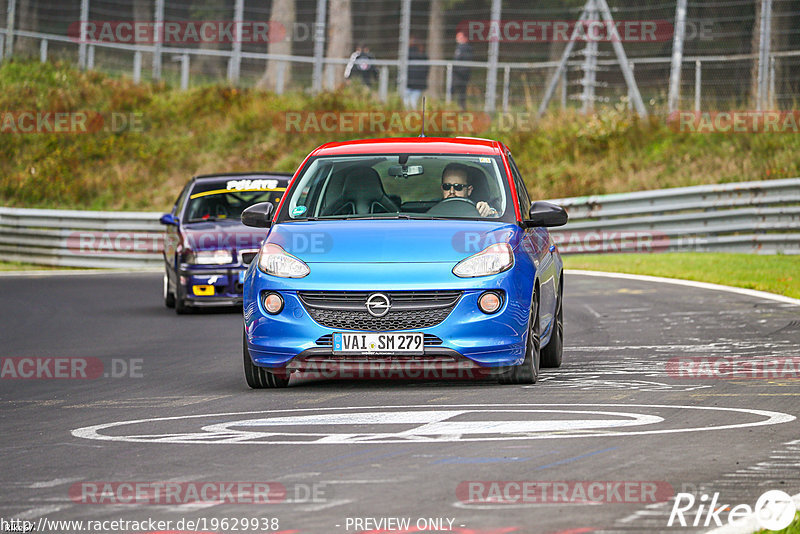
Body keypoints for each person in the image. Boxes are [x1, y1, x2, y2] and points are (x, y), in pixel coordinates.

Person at [404, 36, 429, 109]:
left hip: (409, 82)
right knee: (413, 102)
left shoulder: (407, 54)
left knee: (407, 102)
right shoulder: (423, 54)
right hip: (418, 83)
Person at [452, 31, 473, 110]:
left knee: (455, 90)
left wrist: (455, 69)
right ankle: (460, 107)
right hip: (464, 73)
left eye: (459, 37)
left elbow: (458, 59)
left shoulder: (462, 48)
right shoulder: (468, 48)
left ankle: (455, 106)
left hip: (459, 74)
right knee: (461, 92)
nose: (457, 39)